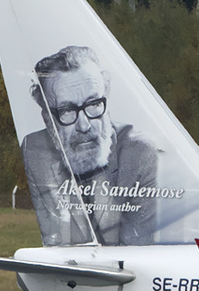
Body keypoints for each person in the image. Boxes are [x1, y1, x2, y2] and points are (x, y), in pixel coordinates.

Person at [21, 46, 160, 246]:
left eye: (93, 104)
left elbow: (137, 252)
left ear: (106, 93)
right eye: (67, 110)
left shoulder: (139, 154)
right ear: (47, 118)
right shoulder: (36, 153)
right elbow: (57, 242)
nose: (84, 126)